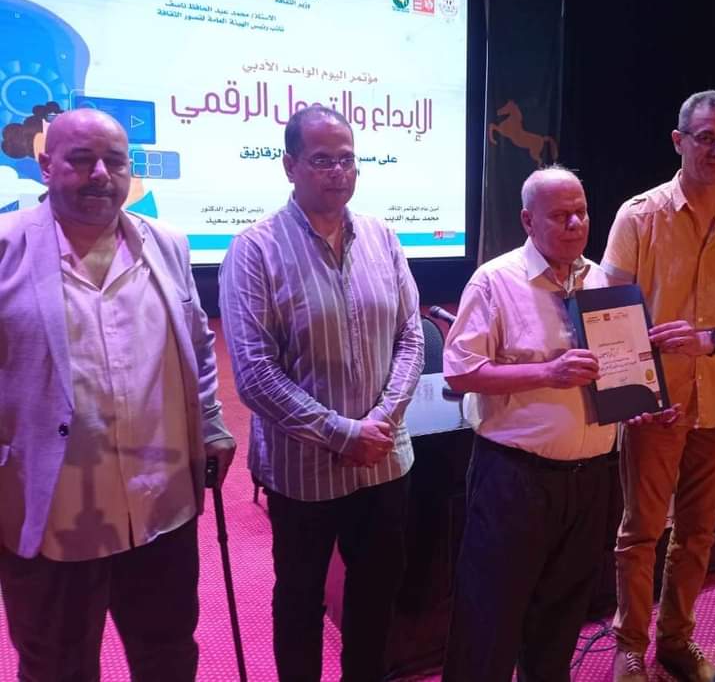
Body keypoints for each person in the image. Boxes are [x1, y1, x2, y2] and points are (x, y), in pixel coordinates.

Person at [0, 108, 236, 680]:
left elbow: (197, 343)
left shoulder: (167, 244)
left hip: (161, 505)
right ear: (46, 165)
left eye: (114, 161)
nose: (100, 174)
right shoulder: (6, 247)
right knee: (56, 666)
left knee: (168, 655)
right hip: (53, 512)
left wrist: (209, 421)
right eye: (81, 160)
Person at [441, 166, 679, 682]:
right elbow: (459, 372)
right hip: (514, 477)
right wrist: (546, 373)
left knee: (561, 615)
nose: (575, 224)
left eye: (582, 212)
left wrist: (643, 402)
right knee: (490, 615)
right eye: (560, 215)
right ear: (528, 220)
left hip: (591, 478)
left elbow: (616, 377)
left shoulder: (605, 282)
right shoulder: (496, 280)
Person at [219, 106, 423, 682]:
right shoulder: (254, 250)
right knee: (301, 599)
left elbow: (411, 337)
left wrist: (382, 420)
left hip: (384, 461)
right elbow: (255, 374)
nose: (338, 171)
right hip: (304, 471)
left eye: (347, 159)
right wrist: (342, 434)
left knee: (377, 592)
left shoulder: (383, 237)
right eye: (322, 160)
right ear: (290, 166)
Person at [603, 90, 715, 682]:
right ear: (679, 141)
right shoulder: (639, 215)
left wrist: (710, 339)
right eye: (705, 137)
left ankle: (676, 639)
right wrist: (628, 396)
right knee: (641, 531)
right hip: (657, 403)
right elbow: (609, 312)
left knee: (700, 532)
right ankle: (630, 644)